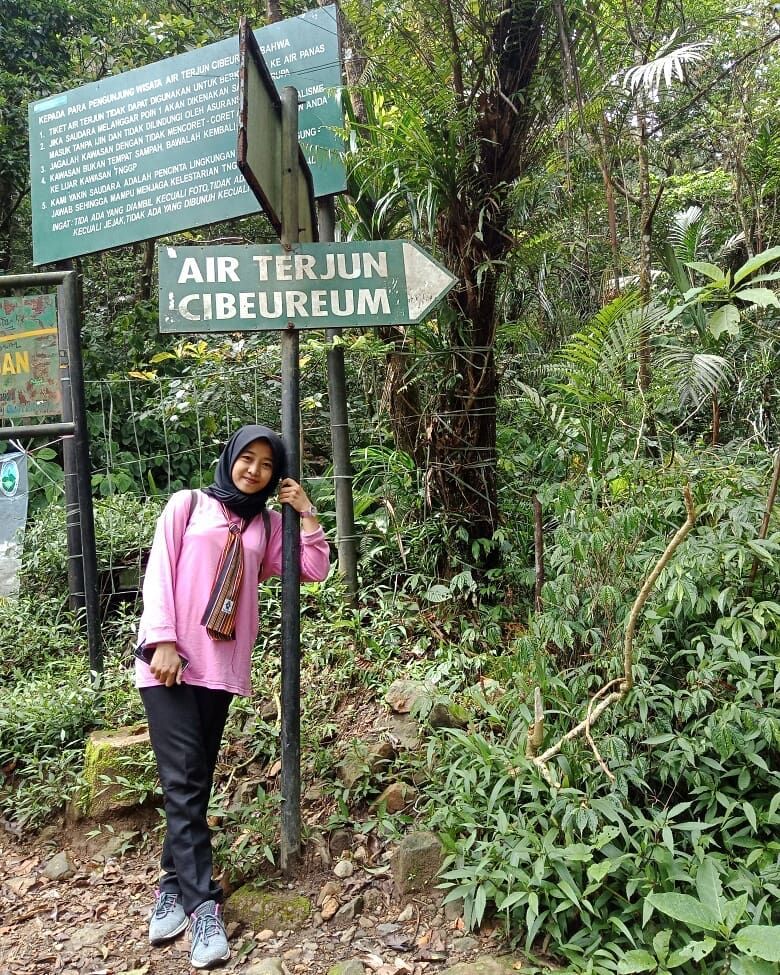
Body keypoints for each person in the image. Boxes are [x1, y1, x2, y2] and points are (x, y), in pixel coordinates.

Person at [135, 425, 330, 970]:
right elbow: (158, 575)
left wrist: (305, 510)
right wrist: (163, 642)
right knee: (185, 782)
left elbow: (312, 568)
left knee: (193, 781)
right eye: (248, 459)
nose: (255, 471)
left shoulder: (265, 526)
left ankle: (170, 891)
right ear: (231, 458)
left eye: (267, 465)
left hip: (219, 670)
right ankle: (202, 909)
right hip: (171, 665)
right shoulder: (187, 505)